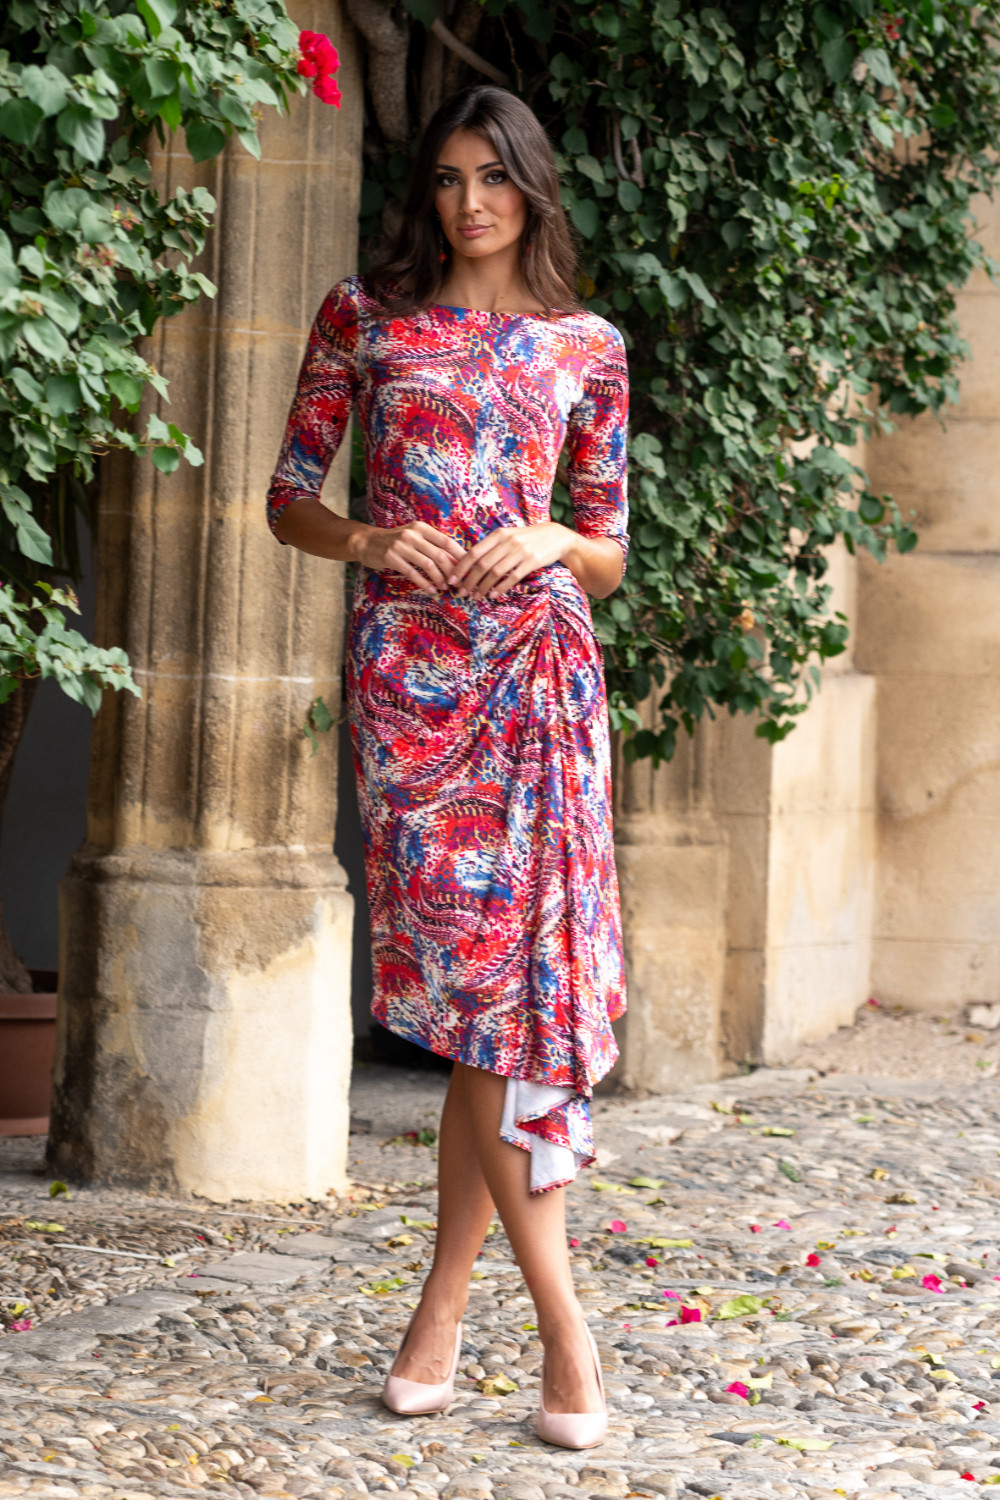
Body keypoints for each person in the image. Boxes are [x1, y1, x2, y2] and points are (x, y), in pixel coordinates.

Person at [266, 84, 629, 1450]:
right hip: (411, 688)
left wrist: (548, 544)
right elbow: (288, 497)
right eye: (449, 178)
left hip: (536, 678)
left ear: (532, 188)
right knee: (482, 1007)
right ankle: (542, 1324)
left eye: (493, 177)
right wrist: (367, 541)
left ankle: (478, 1310)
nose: (469, 200)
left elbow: (607, 545)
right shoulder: (366, 319)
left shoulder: (587, 345)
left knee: (504, 1011)